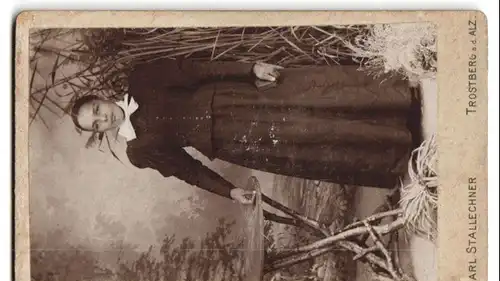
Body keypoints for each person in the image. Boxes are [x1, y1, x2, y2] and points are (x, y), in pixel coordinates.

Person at [71, 58, 418, 205]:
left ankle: (397, 101)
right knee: (311, 137)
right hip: (235, 142)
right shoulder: (137, 152)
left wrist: (249, 68)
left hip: (235, 99)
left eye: (98, 111)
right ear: (99, 132)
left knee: (312, 103)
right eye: (97, 125)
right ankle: (399, 150)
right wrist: (230, 191)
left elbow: (196, 72)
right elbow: (187, 170)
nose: (105, 119)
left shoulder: (142, 78)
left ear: (101, 98)